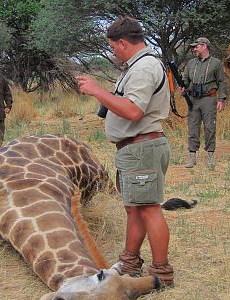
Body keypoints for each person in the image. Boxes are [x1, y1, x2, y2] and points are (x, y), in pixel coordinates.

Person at [77, 16, 174, 287]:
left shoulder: (143, 68)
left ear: (122, 42)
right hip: (136, 148)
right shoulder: (139, 66)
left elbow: (133, 110)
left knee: (149, 209)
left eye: (113, 47)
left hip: (142, 146)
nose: (112, 52)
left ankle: (162, 274)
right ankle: (130, 262)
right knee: (135, 208)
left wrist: (97, 91)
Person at [182, 37, 228, 168]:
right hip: (193, 99)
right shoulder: (191, 63)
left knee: (209, 127)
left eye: (196, 46)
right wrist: (183, 86)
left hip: (209, 98)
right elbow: (185, 79)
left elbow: (221, 81)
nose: (194, 49)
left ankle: (210, 157)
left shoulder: (216, 63)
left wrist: (221, 99)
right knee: (193, 127)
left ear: (204, 46)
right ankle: (192, 157)